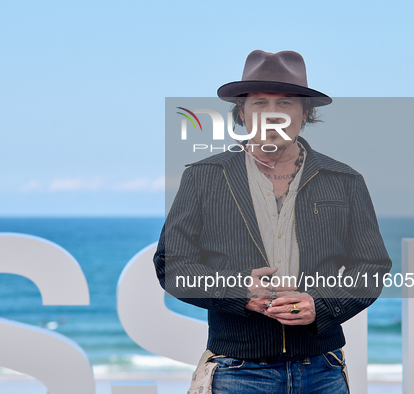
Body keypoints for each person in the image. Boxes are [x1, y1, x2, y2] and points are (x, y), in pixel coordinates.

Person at [154, 50, 392, 393]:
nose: (272, 115)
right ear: (241, 111)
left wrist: (323, 305)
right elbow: (172, 266)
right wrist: (240, 292)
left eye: (285, 103)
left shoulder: (344, 180)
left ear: (305, 112)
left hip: (322, 371)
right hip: (237, 373)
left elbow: (372, 266)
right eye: (259, 103)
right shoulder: (204, 177)